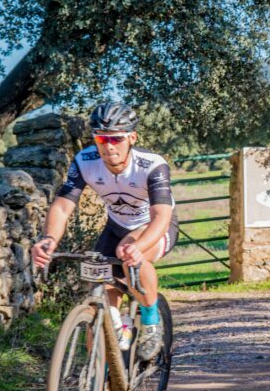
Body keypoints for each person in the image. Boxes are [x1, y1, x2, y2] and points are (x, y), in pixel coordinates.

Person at [31, 102, 177, 361]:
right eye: (101, 138)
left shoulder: (151, 164)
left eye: (116, 139)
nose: (108, 146)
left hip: (153, 226)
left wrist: (139, 246)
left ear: (132, 137)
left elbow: (160, 216)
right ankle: (99, 373)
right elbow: (63, 206)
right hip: (116, 226)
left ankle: (152, 322)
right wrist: (49, 239)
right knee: (99, 283)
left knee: (128, 251)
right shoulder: (85, 161)